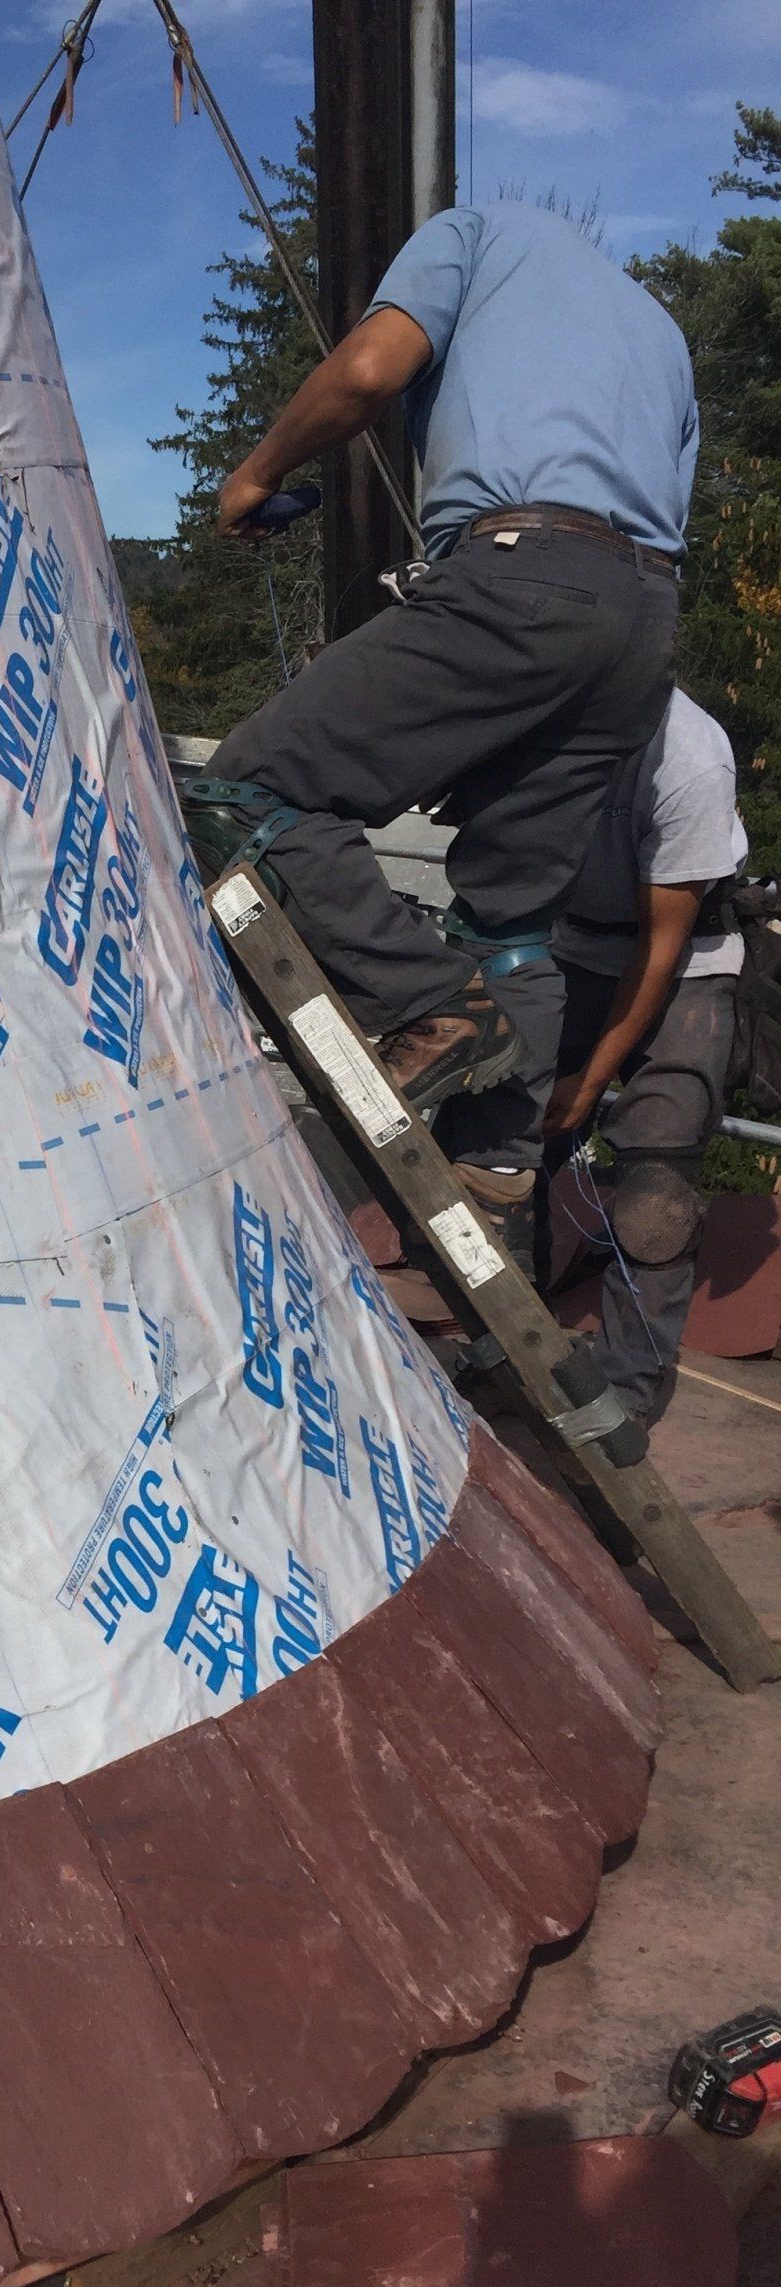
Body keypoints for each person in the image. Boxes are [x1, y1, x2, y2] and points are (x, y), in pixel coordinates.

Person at [183, 199, 698, 1124]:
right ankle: (502, 1163)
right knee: (509, 925)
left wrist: (254, 475)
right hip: (644, 616)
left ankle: (427, 1006)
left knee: (248, 793)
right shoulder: (658, 330)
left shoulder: (472, 232)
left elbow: (371, 371)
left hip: (524, 576)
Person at [541, 690, 745, 1427]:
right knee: (512, 1147)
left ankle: (626, 1395)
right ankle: (512, 1335)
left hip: (685, 959)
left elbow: (661, 950)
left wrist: (589, 1082)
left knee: (655, 1194)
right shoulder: (529, 709)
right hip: (570, 941)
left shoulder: (688, 756)